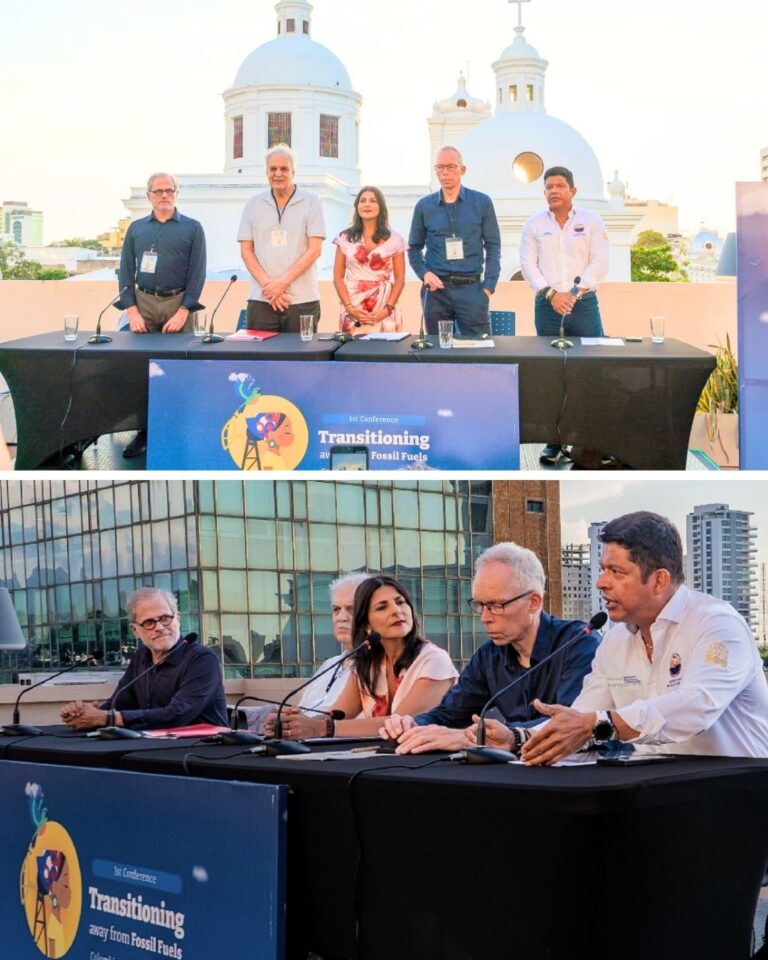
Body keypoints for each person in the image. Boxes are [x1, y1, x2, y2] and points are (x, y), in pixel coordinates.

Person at [505, 512, 768, 764]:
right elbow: (582, 719)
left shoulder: (717, 623)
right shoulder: (614, 641)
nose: (601, 583)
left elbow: (697, 707)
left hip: (739, 791)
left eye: (616, 572)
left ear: (659, 581)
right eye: (602, 570)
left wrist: (599, 724)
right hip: (658, 793)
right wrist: (516, 737)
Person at [381, 542, 600, 754]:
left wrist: (481, 738)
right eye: (479, 605)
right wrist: (411, 725)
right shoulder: (489, 655)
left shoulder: (578, 643)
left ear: (534, 602)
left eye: (496, 606)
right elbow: (449, 714)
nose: (484, 618)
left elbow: (571, 722)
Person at [267, 574, 458, 739]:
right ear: (366, 624)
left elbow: (399, 724)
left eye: (400, 602)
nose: (396, 611)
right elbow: (339, 714)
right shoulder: (367, 662)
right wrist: (291, 724)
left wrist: (320, 727)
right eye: (382, 607)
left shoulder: (434, 660)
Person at [519, 165, 609, 466]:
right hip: (547, 305)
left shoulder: (591, 221)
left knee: (590, 372)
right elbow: (528, 265)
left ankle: (590, 441)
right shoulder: (533, 224)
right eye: (548, 187)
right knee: (551, 374)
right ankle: (553, 442)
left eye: (559, 186)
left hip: (583, 304)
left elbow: (599, 261)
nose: (553, 191)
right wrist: (551, 295)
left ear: (573, 190)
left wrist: (573, 293)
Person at [117, 172, 207, 459]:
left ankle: (177, 431)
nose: (164, 195)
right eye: (158, 191)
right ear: (149, 196)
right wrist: (132, 310)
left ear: (177, 193)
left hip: (177, 305)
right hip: (143, 305)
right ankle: (143, 431)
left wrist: (183, 311)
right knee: (141, 372)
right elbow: (126, 272)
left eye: (169, 190)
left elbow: (197, 274)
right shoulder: (136, 229)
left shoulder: (192, 228)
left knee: (178, 372)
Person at [60, 587, 227, 731]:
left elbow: (177, 714)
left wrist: (106, 717)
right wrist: (84, 713)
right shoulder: (140, 657)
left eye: (165, 618)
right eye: (149, 622)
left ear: (178, 619)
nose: (159, 627)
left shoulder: (203, 659)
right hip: (151, 749)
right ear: (135, 630)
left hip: (202, 754)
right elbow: (120, 704)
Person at [242, 572, 371, 733]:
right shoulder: (329, 664)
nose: (341, 617)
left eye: (351, 609)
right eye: (336, 609)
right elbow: (305, 711)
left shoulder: (377, 667)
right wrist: (290, 719)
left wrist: (312, 726)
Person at [408, 146, 500, 338]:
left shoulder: (482, 203)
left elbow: (492, 246)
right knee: (439, 352)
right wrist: (424, 274)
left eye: (451, 166)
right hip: (436, 292)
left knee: (479, 350)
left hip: (472, 291)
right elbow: (414, 248)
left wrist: (488, 287)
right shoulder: (424, 206)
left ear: (462, 169)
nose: (445, 172)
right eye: (440, 167)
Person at [238, 143, 325, 333]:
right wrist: (270, 288)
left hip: (302, 300)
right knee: (261, 361)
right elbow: (246, 251)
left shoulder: (311, 202)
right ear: (266, 172)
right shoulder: (253, 204)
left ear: (293, 171)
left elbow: (315, 250)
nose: (278, 173)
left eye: (284, 169)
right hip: (262, 298)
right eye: (273, 169)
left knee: (300, 360)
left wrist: (282, 283)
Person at [333, 186, 406, 334]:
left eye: (373, 201)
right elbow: (337, 277)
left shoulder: (395, 239)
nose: (367, 204)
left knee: (385, 352)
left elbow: (400, 279)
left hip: (384, 306)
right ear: (357, 207)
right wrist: (349, 307)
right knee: (351, 352)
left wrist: (387, 310)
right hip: (352, 305)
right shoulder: (344, 238)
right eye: (362, 201)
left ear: (381, 207)